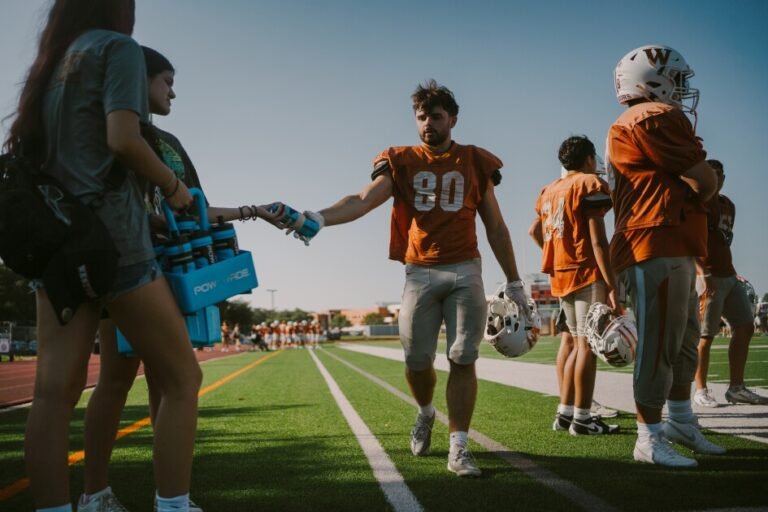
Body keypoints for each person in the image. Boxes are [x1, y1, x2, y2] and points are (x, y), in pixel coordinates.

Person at [271, 80, 530, 477]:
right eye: (421, 117)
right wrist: (319, 218)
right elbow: (363, 200)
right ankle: (426, 412)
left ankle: (459, 445)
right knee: (416, 360)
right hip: (419, 272)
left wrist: (514, 281)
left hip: (465, 269)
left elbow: (495, 226)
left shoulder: (474, 160)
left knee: (463, 355)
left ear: (453, 119)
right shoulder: (402, 160)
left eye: (436, 116)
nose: (428, 124)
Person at [2, 2, 204, 510]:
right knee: (182, 378)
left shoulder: (52, 64)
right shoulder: (118, 49)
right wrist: (173, 187)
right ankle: (174, 507)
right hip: (116, 242)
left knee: (53, 393)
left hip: (59, 243)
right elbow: (122, 139)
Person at [78, 46, 277, 512]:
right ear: (138, 79)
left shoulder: (167, 141)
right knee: (120, 380)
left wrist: (254, 210)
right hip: (125, 268)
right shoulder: (115, 132)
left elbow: (194, 206)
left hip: (166, 269)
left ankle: (162, 495)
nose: (173, 92)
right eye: (166, 81)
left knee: (161, 381)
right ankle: (102, 494)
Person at [608, 45, 724, 468]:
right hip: (652, 241)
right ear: (652, 80)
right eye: (676, 79)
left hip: (670, 240)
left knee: (684, 343)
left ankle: (679, 420)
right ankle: (649, 436)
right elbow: (704, 181)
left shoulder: (642, 119)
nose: (682, 89)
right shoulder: (652, 116)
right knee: (659, 345)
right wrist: (702, 186)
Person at [529, 135, 619, 436]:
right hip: (585, 271)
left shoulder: (549, 190)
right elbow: (598, 240)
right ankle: (582, 418)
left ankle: (565, 413)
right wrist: (612, 284)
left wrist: (556, 254)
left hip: (561, 276)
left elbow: (534, 231)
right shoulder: (589, 184)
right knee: (586, 347)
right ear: (589, 159)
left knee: (574, 345)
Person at [693, 159, 768, 407]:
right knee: (706, 335)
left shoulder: (728, 205)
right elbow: (689, 242)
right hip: (709, 276)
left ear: (723, 178)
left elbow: (723, 241)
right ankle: (701, 389)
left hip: (729, 274)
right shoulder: (697, 202)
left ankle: (736, 387)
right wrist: (701, 273)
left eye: (719, 174)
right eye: (711, 174)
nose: (715, 179)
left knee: (745, 326)